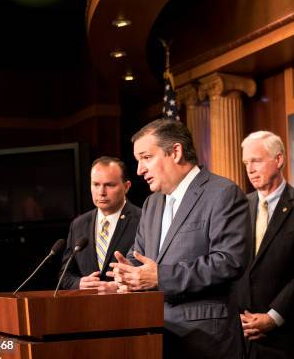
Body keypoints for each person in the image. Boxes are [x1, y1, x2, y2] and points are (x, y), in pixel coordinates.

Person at [107, 119, 249, 359]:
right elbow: (139, 257)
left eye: (146, 157)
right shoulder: (152, 204)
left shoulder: (223, 193)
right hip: (156, 335)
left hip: (205, 340)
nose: (140, 169)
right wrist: (128, 274)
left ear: (175, 152)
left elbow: (228, 261)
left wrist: (160, 277)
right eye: (138, 160)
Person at [238, 131, 294, 359]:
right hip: (245, 337)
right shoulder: (238, 207)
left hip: (289, 337)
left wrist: (273, 316)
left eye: (256, 160)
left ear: (278, 160)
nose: (250, 169)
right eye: (246, 162)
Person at [60, 156, 140, 292]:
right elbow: (65, 275)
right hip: (88, 308)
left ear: (126, 187)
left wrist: (119, 286)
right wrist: (79, 283)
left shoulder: (143, 220)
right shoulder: (78, 224)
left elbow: (150, 272)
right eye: (96, 184)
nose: (101, 192)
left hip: (129, 306)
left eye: (109, 185)